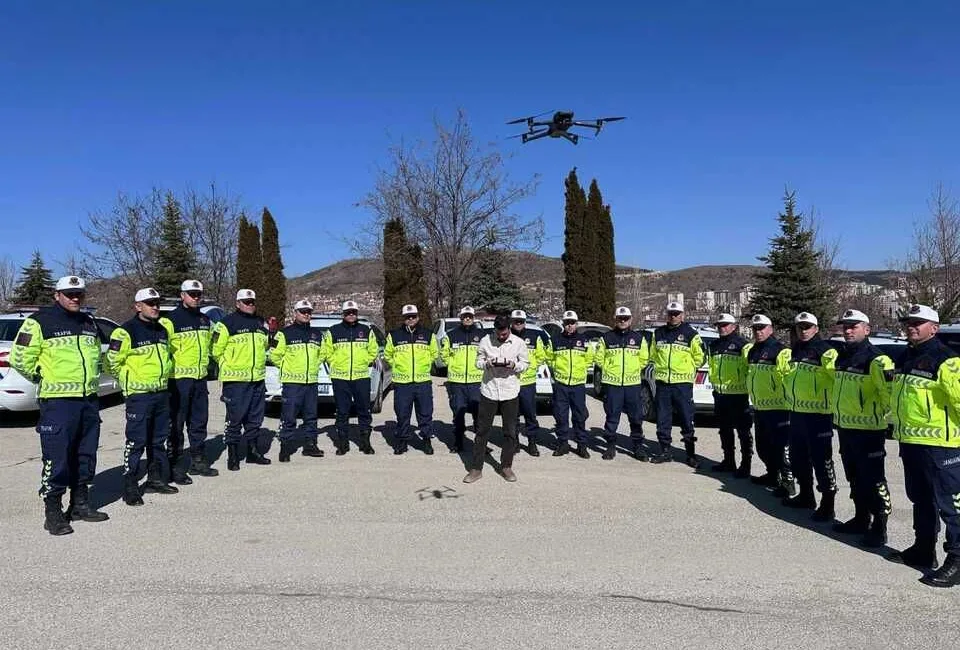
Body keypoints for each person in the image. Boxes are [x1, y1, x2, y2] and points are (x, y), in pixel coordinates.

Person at [9, 275, 108, 535]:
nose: (75, 298)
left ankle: (80, 504)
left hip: (87, 401)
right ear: (57, 295)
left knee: (85, 455)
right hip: (58, 403)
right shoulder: (39, 322)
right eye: (69, 294)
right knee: (58, 457)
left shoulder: (89, 322)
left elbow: (96, 355)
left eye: (79, 294)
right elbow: (19, 358)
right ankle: (53, 511)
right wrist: (42, 377)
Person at [887, 304, 960, 588]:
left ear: (935, 328)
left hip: (942, 445)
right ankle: (923, 548)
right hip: (912, 441)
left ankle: (956, 559)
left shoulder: (947, 360)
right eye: (908, 323)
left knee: (951, 506)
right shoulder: (906, 357)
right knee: (921, 498)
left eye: (918, 323)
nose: (911, 327)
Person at [108, 288, 179, 505]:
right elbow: (112, 362)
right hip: (139, 396)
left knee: (158, 441)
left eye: (157, 303)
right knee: (136, 442)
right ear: (138, 306)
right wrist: (130, 382)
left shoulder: (162, 330)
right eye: (150, 303)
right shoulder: (125, 332)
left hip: (160, 393)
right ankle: (130, 486)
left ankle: (155, 479)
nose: (155, 306)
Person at [830, 308, 894, 547]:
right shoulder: (842, 357)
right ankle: (860, 518)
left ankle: (879, 526)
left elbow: (890, 396)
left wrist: (883, 420)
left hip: (869, 432)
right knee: (854, 477)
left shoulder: (877, 360)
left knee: (874, 480)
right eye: (845, 326)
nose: (847, 330)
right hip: (846, 428)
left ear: (866, 330)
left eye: (853, 326)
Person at [159, 279, 218, 484]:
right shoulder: (169, 321)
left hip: (200, 379)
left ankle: (198, 461)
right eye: (191, 294)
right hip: (178, 381)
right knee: (176, 425)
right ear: (182, 295)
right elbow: (162, 351)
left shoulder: (204, 320)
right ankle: (175, 466)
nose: (195, 297)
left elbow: (213, 346)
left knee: (199, 422)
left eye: (198, 294)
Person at [781, 312, 839, 521]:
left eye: (807, 327)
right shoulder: (795, 351)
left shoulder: (826, 352)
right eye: (800, 327)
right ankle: (806, 495)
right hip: (797, 413)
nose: (803, 331)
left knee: (822, 461)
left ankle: (828, 503)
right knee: (798, 458)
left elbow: (837, 380)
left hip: (819, 415)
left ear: (816, 329)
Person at [463, 314, 530, 483]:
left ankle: (506, 466)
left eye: (504, 334)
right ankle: (476, 469)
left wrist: (514, 365)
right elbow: (477, 361)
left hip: (510, 392)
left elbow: (525, 364)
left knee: (510, 432)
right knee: (482, 431)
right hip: (489, 391)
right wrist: (487, 363)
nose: (501, 337)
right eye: (499, 334)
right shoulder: (485, 341)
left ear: (509, 329)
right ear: (494, 329)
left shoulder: (519, 343)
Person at [211, 289, 272, 470]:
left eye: (252, 301)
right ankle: (233, 455)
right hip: (235, 381)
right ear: (237, 303)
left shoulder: (262, 323)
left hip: (257, 379)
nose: (250, 304)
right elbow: (215, 351)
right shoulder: (226, 324)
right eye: (246, 301)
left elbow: (266, 345)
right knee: (235, 419)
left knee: (255, 419)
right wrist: (229, 365)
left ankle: (253, 452)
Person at [649, 301, 705, 467]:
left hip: (682, 385)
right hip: (663, 384)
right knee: (662, 419)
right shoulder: (658, 333)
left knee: (686, 419)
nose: (674, 316)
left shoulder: (690, 333)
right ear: (667, 315)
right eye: (671, 314)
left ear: (683, 315)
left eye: (677, 313)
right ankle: (665, 451)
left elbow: (700, 357)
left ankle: (690, 454)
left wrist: (688, 370)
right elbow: (652, 355)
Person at [321, 300, 380, 455]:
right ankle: (342, 443)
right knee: (342, 411)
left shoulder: (366, 330)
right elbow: (326, 352)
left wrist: (364, 362)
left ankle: (365, 443)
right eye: (348, 312)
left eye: (353, 312)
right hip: (340, 378)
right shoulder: (333, 331)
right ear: (343, 314)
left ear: (357, 313)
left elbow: (373, 351)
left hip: (361, 377)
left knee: (364, 411)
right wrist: (336, 363)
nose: (351, 314)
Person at [743, 314, 793, 495]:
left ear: (771, 329)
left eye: (762, 328)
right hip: (760, 407)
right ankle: (772, 474)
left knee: (781, 447)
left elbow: (788, 379)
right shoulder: (753, 351)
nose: (758, 331)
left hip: (779, 408)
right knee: (763, 447)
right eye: (755, 328)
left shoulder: (781, 351)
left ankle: (788, 482)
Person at [271, 299, 325, 462]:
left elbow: (322, 353)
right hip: (292, 383)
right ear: (296, 313)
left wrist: (315, 365)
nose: (306, 314)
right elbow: (274, 355)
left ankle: (310, 445)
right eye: (303, 311)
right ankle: (285, 447)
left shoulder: (317, 334)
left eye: (308, 311)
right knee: (289, 417)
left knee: (311, 416)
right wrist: (287, 368)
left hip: (311, 383)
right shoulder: (285, 333)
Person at [596, 306, 649, 461]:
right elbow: (599, 358)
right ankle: (610, 446)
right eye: (620, 318)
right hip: (613, 385)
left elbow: (644, 359)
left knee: (636, 417)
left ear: (631, 319)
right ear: (616, 319)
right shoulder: (606, 338)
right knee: (612, 416)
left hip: (632, 385)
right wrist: (610, 370)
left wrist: (632, 371)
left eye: (626, 318)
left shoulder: (639, 338)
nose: (623, 321)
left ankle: (638, 447)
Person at [384, 304, 439, 455]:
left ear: (418, 317)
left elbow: (434, 353)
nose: (410, 319)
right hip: (402, 383)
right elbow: (388, 355)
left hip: (422, 382)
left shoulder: (428, 335)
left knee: (425, 413)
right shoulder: (394, 335)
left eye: (413, 316)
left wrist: (426, 365)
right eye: (407, 317)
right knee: (402, 413)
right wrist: (398, 366)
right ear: (403, 318)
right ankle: (402, 441)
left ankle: (426, 440)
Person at [708, 313, 753, 476]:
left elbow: (750, 369)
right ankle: (728, 461)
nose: (722, 328)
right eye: (720, 325)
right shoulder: (714, 345)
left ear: (734, 327)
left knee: (743, 431)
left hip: (738, 395)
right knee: (724, 430)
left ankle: (746, 464)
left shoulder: (743, 345)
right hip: (720, 394)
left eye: (726, 325)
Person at [547, 310, 594, 458]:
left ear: (576, 324)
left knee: (579, 416)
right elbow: (549, 358)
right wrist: (557, 368)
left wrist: (581, 370)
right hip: (561, 384)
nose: (569, 326)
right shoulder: (555, 340)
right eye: (567, 323)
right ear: (563, 324)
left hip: (578, 385)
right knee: (561, 416)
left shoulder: (584, 340)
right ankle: (563, 444)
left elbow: (589, 358)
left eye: (572, 323)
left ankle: (582, 445)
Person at [440, 306, 484, 453]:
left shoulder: (482, 336)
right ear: (461, 318)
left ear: (473, 318)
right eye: (465, 316)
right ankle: (458, 442)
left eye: (470, 316)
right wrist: (453, 365)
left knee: (479, 416)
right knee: (458, 413)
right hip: (457, 383)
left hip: (476, 382)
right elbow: (444, 355)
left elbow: (487, 355)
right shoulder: (450, 335)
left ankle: (480, 445)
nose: (467, 319)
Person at [510, 309, 551, 456]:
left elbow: (541, 356)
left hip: (528, 383)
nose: (518, 323)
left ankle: (532, 443)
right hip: (511, 382)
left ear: (525, 322)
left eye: (521, 321)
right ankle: (514, 443)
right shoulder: (506, 336)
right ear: (512, 322)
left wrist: (532, 367)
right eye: (516, 321)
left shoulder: (534, 336)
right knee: (512, 415)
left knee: (530, 414)